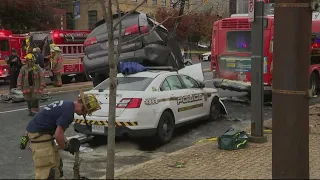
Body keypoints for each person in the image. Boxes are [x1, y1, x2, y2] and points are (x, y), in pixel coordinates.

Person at [22, 92, 101, 179]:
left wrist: (66, 142)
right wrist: (66, 147)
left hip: (42, 133)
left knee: (57, 165)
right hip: (39, 135)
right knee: (46, 170)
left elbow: (60, 131)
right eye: (85, 111)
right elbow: (58, 135)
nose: (84, 114)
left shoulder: (67, 104)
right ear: (83, 106)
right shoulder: (68, 113)